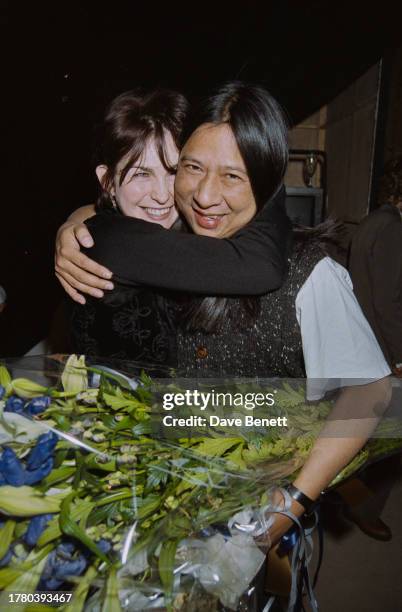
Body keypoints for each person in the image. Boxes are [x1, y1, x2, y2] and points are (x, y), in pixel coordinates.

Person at [55, 82, 392, 551]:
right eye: (191, 169)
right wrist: (80, 218)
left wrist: (292, 502)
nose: (205, 197)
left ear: (265, 178)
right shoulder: (162, 240)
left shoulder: (310, 274)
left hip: (251, 519)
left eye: (233, 176)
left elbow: (369, 388)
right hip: (147, 498)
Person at [60, 88, 292, 364]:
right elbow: (260, 264)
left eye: (174, 172)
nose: (160, 194)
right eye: (142, 174)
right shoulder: (103, 241)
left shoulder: (193, 229)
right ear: (107, 181)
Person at [337, 157, 402, 541]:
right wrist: (398, 356)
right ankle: (364, 509)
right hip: (381, 350)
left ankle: (349, 492)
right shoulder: (393, 228)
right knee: (389, 442)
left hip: (363, 344)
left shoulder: (373, 221)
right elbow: (388, 303)